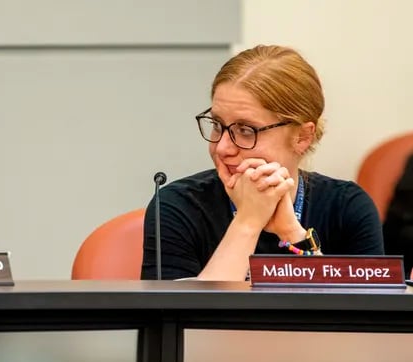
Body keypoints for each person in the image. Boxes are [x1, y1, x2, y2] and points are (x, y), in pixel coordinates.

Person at [141, 44, 383, 281]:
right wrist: (248, 221)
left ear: (302, 137)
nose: (222, 147)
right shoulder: (177, 206)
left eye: (245, 130)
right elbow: (186, 320)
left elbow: (358, 318)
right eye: (217, 125)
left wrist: (292, 233)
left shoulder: (347, 207)